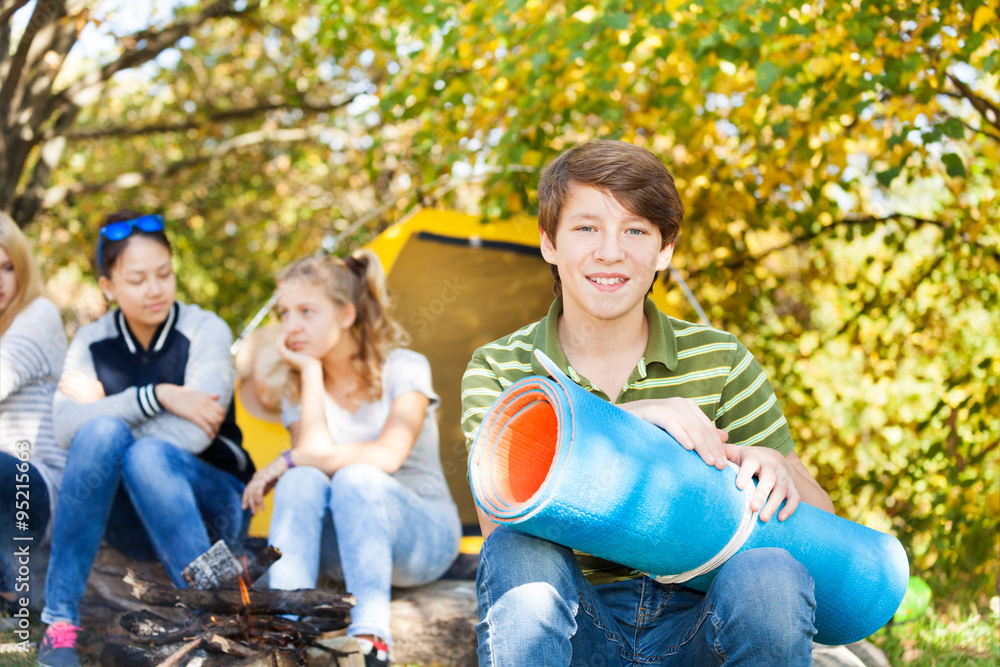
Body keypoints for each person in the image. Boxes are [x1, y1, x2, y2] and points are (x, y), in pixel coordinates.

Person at [461, 140, 836, 666]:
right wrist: (623, 427)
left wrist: (778, 473)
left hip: (702, 627)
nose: (610, 251)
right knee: (518, 552)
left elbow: (825, 522)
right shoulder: (501, 367)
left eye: (635, 230)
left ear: (665, 250)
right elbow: (499, 526)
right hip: (573, 630)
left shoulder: (722, 360)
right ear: (548, 242)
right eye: (586, 227)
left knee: (771, 575)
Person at [37, 211, 254, 667]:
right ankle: (59, 625)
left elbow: (196, 432)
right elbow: (64, 430)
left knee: (142, 451)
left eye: (164, 274)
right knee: (100, 433)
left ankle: (210, 626)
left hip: (212, 508)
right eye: (137, 279)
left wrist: (105, 404)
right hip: (126, 522)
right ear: (108, 286)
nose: (155, 289)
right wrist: (158, 395)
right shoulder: (92, 343)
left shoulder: (204, 330)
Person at [241, 251, 461, 667]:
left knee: (356, 477)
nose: (292, 326)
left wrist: (290, 459)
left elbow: (389, 454)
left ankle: (372, 641)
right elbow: (310, 460)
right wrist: (308, 373)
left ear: (345, 315)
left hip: (422, 539)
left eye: (307, 311)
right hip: (346, 547)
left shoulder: (405, 368)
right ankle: (286, 635)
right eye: (285, 313)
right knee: (302, 480)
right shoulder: (298, 390)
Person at [0, 213, 68, 614]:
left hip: (37, 486)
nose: (0, 280)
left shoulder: (38, 315)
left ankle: (13, 594)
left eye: (9, 267)